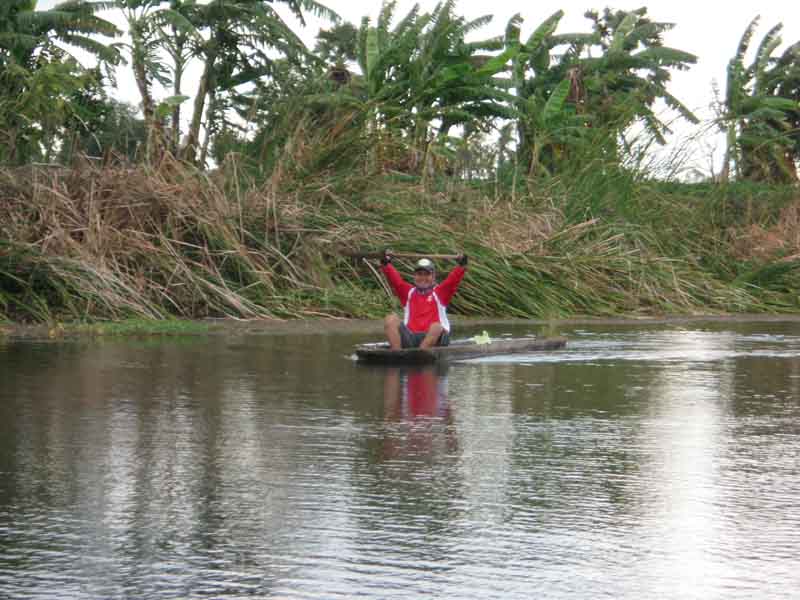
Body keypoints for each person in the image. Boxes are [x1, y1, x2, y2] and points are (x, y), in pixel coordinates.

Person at [380, 250, 468, 349]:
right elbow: (394, 279)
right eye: (419, 274)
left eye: (427, 274)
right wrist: (385, 262)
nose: (423, 278)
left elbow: (453, 280)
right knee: (390, 319)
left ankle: (421, 353)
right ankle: (397, 354)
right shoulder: (408, 292)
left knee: (436, 326)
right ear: (415, 276)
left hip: (436, 338)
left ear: (433, 277)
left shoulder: (440, 292)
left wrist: (462, 265)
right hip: (411, 337)